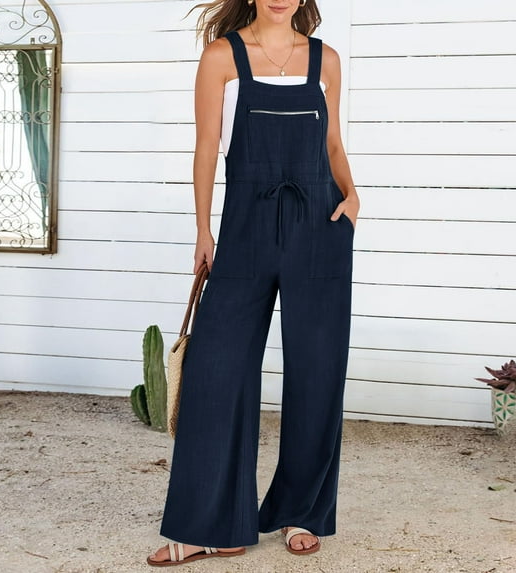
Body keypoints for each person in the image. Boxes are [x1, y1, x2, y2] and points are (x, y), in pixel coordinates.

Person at [147, 0, 359, 566]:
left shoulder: (326, 60)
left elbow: (333, 143)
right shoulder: (222, 56)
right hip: (244, 229)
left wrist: (353, 197)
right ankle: (209, 525)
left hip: (320, 226)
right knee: (216, 371)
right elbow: (206, 147)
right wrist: (203, 229)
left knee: (317, 372)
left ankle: (301, 513)